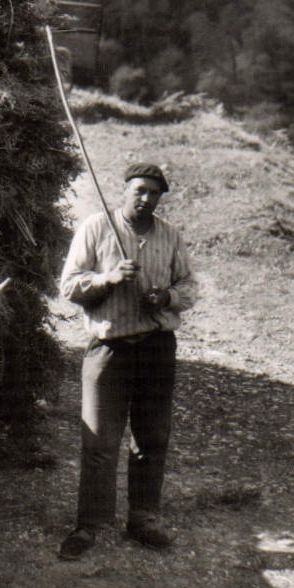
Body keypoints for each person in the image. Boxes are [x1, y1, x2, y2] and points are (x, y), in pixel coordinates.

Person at [57, 162, 198, 560]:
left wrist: (165, 297)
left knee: (151, 437)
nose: (146, 199)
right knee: (99, 440)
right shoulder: (97, 228)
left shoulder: (169, 235)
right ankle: (90, 525)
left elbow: (189, 285)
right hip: (109, 349)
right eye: (139, 190)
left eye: (154, 193)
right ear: (124, 191)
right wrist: (108, 279)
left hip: (156, 348)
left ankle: (144, 518)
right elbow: (69, 285)